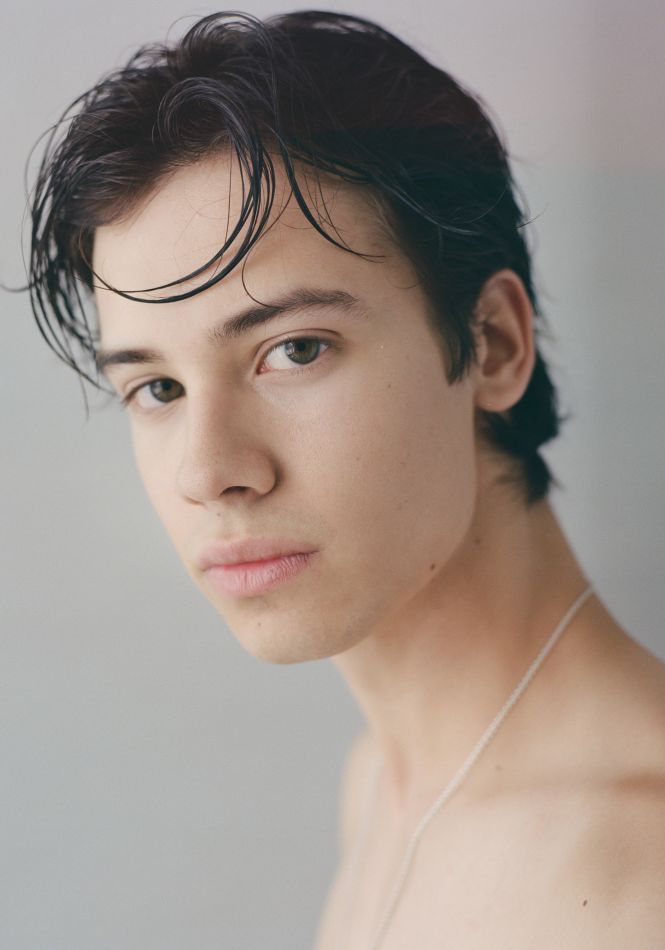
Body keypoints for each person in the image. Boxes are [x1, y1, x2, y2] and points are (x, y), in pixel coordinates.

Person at [25, 10, 665, 948]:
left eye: (294, 349)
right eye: (157, 387)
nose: (210, 471)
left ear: (493, 343)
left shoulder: (637, 861)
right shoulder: (381, 783)